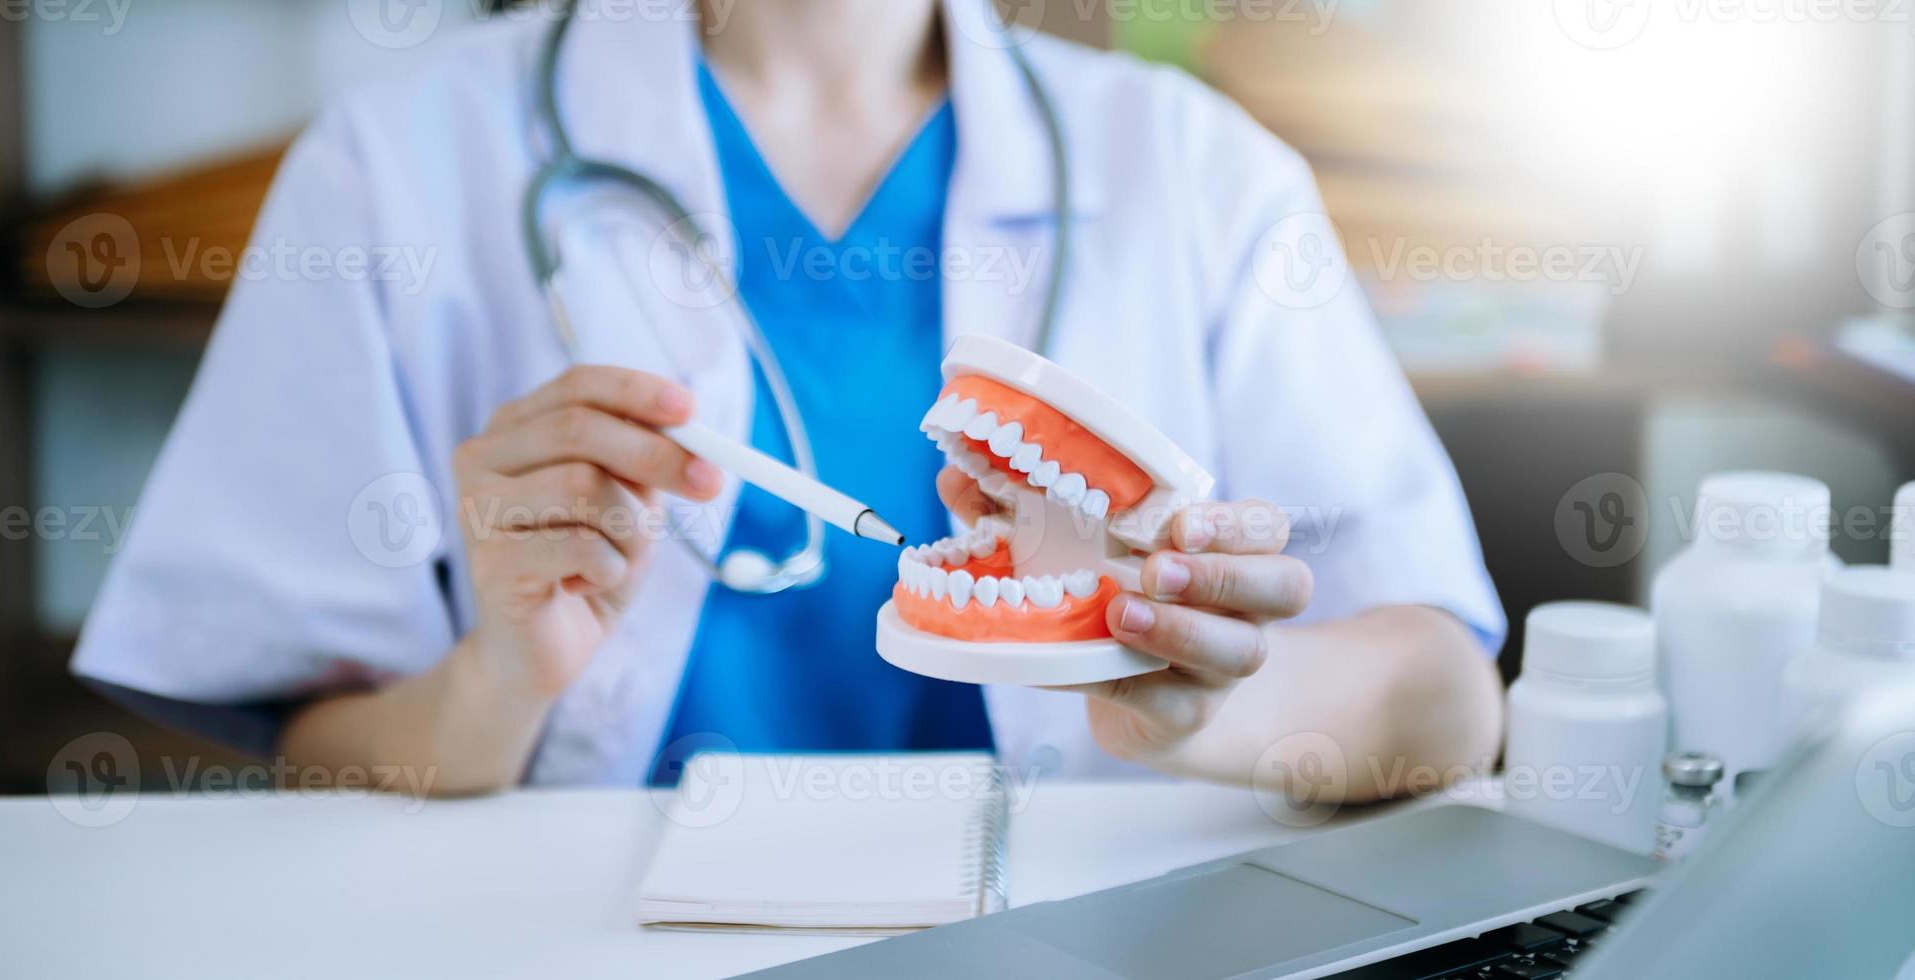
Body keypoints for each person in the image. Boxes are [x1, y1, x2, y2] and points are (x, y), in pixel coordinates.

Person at [72, 0, 1506, 800]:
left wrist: (1205, 712)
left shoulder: (1197, 167)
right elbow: (314, 754)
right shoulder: (397, 157)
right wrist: (495, 680)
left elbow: (1448, 698)